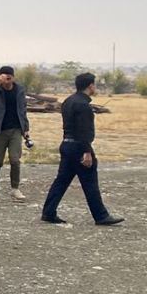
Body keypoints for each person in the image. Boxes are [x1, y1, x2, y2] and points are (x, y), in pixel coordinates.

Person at [40, 72, 124, 227]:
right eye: (94, 85)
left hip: (66, 144)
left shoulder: (68, 101)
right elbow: (83, 130)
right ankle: (101, 216)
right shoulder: (83, 106)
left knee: (61, 181)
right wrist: (87, 151)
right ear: (90, 85)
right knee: (90, 182)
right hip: (79, 147)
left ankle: (48, 212)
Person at [0, 65, 31, 201]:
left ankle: (15, 188)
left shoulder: (19, 90)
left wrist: (26, 129)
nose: (7, 80)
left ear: (13, 77)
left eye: (9, 77)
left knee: (15, 160)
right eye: (4, 77)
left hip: (16, 129)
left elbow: (23, 110)